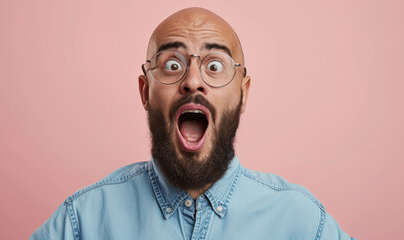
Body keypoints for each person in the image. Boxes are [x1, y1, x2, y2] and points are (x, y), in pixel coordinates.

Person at [30, 7, 356, 240]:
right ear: (145, 92)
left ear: (242, 95)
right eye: (173, 64)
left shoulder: (301, 222)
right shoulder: (82, 222)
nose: (193, 81)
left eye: (215, 65)